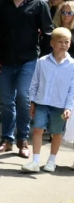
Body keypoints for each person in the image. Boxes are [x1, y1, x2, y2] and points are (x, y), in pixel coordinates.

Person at [0, 0, 52, 158]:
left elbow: (48, 32)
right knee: (7, 101)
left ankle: (23, 139)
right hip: (4, 61)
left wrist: (45, 60)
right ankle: (7, 140)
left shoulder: (39, 4)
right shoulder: (0, 4)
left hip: (29, 60)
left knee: (23, 98)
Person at [22, 27, 74, 173]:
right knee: (38, 129)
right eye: (60, 42)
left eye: (67, 42)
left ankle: (51, 161)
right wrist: (32, 102)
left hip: (60, 105)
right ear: (52, 43)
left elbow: (72, 89)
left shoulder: (72, 65)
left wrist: (68, 107)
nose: (63, 45)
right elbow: (35, 83)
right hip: (42, 103)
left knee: (56, 133)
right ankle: (35, 161)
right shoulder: (42, 62)